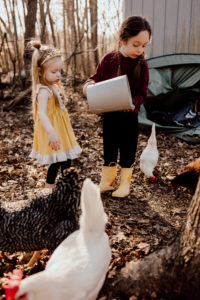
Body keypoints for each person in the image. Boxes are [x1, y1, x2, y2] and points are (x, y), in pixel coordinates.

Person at [83, 15, 152, 198]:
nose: (140, 50)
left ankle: (124, 184)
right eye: (135, 44)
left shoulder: (142, 65)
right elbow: (96, 77)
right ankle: (107, 182)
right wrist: (88, 84)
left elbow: (142, 93)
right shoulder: (109, 59)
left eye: (144, 46)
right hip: (110, 114)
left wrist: (133, 103)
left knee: (128, 149)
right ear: (123, 39)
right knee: (110, 147)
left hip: (129, 116)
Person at [29, 41, 82, 188]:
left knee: (65, 159)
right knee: (58, 160)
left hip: (61, 129)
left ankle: (65, 186)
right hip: (54, 130)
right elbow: (42, 114)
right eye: (54, 72)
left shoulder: (52, 86)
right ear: (40, 72)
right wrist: (51, 132)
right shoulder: (43, 91)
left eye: (60, 71)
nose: (58, 74)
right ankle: (50, 187)